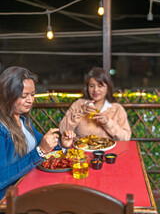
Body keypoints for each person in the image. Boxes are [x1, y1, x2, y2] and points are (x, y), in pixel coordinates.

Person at [0, 66, 76, 200]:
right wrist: (39, 152)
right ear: (7, 95)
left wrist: (62, 144)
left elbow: (42, 145)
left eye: (33, 94)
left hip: (32, 186)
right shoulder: (2, 128)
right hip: (11, 200)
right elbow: (2, 177)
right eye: (24, 96)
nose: (30, 100)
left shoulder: (23, 120)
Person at [59, 67, 131, 141]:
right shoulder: (79, 104)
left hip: (109, 151)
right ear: (87, 88)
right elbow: (62, 131)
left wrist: (107, 122)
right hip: (81, 150)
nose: (95, 90)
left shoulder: (117, 109)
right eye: (91, 86)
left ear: (108, 87)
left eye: (100, 86)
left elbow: (125, 138)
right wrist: (80, 112)